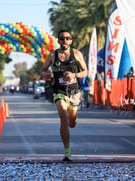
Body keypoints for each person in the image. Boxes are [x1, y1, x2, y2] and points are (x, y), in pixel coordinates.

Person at [40, 29, 88, 161]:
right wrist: (47, 75)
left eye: (67, 38)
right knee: (63, 117)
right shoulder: (52, 56)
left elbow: (85, 71)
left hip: (74, 92)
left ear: (71, 40)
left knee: (72, 123)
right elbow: (43, 70)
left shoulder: (77, 54)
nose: (64, 41)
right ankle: (67, 152)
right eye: (62, 38)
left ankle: (72, 120)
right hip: (59, 91)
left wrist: (74, 75)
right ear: (58, 41)